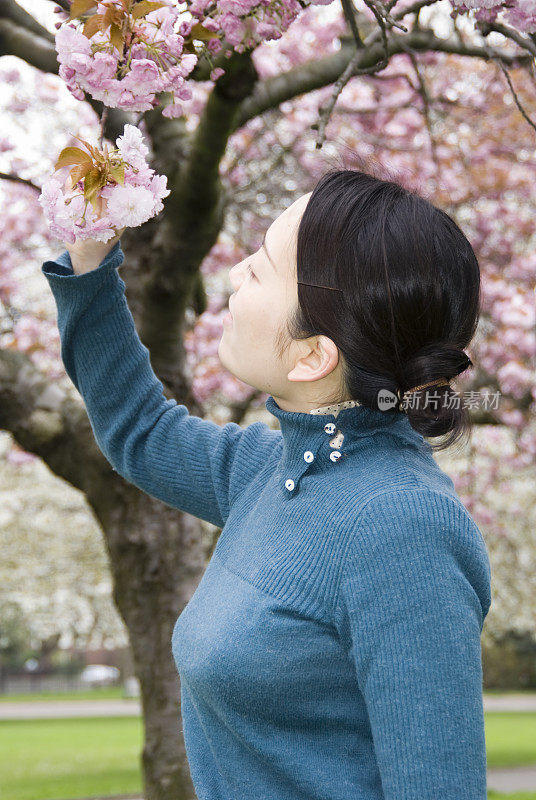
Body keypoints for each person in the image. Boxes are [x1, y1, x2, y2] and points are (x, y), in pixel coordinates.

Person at [42, 168, 492, 800]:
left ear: (312, 356)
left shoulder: (401, 529)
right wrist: (90, 260)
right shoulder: (273, 469)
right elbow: (140, 431)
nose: (233, 273)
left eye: (259, 269)